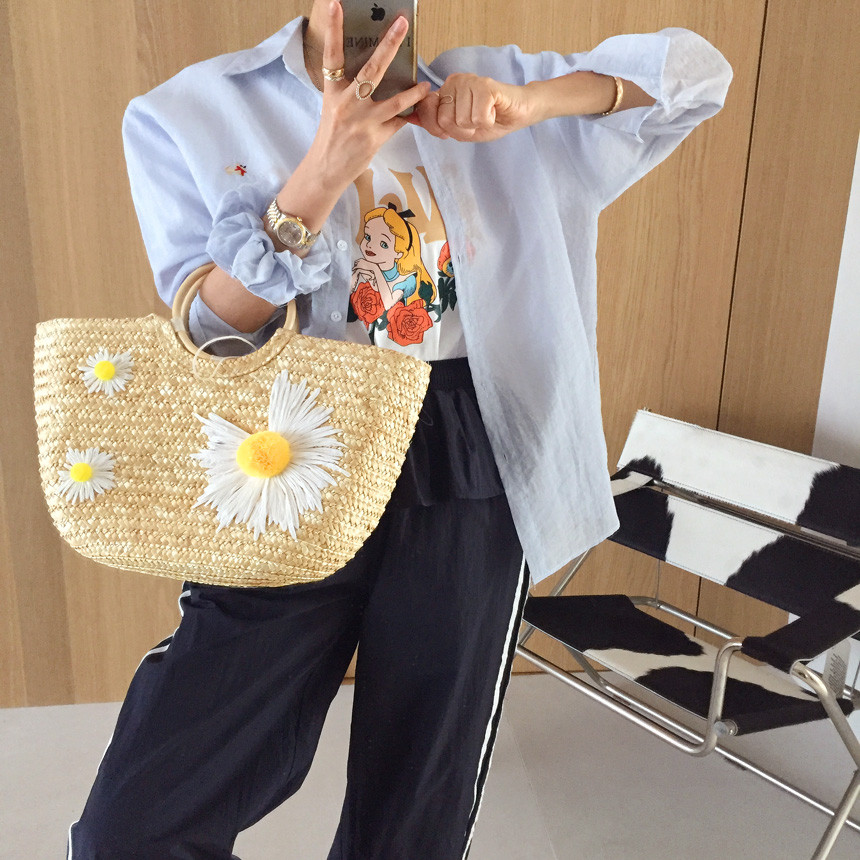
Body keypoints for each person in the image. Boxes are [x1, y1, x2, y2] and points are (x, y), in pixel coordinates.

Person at [67, 2, 732, 857]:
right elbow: (207, 333)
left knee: (420, 799)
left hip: (471, 447)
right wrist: (320, 173)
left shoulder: (494, 85)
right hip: (292, 449)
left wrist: (534, 105)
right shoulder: (188, 110)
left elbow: (695, 78)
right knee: (140, 816)